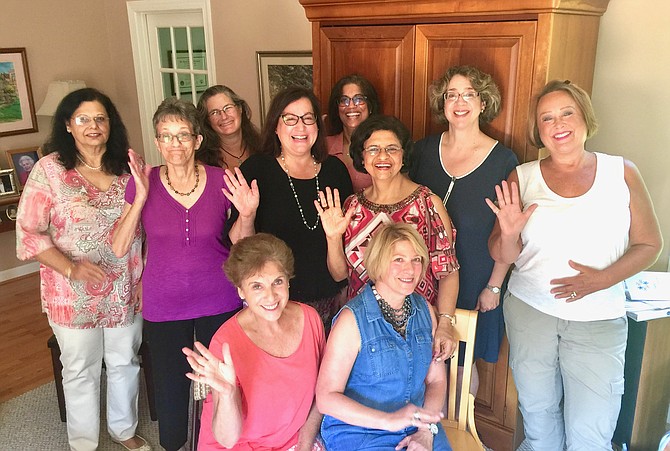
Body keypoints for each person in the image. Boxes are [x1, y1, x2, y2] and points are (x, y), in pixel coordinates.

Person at [487, 80, 662, 450]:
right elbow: (503, 255)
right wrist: (507, 234)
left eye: (567, 112)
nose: (558, 123)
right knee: (538, 415)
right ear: (538, 131)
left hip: (599, 319)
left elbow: (650, 245)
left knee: (592, 427)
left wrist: (601, 280)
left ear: (584, 118)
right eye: (546, 118)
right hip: (530, 311)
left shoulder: (622, 172)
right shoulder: (523, 176)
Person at [112, 97, 259, 451]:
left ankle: (219, 442)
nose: (174, 144)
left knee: (222, 379)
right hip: (165, 302)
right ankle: (175, 444)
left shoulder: (222, 180)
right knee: (171, 383)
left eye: (182, 135)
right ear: (158, 141)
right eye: (166, 136)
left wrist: (248, 214)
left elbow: (241, 244)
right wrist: (142, 197)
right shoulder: (141, 181)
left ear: (197, 140)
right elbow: (119, 246)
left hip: (219, 297)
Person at [16, 88, 151, 451]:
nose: (93, 126)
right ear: (68, 125)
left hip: (125, 286)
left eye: (101, 118)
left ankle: (123, 430)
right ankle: (83, 442)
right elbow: (29, 232)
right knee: (79, 369)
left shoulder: (130, 166)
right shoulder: (50, 170)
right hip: (70, 293)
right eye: (83, 119)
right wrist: (72, 269)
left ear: (111, 124)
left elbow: (151, 227)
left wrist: (145, 278)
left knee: (125, 361)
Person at [317, 114, 459, 359]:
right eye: (373, 149)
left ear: (403, 156)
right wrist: (332, 238)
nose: (382, 156)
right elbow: (341, 275)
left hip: (414, 328)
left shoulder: (427, 204)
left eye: (391, 149)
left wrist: (445, 322)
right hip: (362, 330)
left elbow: (448, 272)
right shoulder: (352, 206)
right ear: (362, 157)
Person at [411, 65, 519, 386]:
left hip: (475, 279)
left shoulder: (503, 160)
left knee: (461, 359)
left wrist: (495, 285)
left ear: (483, 103)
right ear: (442, 103)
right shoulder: (422, 151)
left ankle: (457, 432)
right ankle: (426, 429)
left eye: (469, 94)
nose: (460, 102)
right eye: (452, 95)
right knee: (421, 356)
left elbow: (509, 230)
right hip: (422, 277)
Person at [182, 233, 325, 451]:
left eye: (277, 282)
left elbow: (322, 390)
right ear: (241, 291)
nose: (270, 296)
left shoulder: (310, 319)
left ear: (288, 281)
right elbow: (227, 440)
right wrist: (228, 395)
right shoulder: (225, 342)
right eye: (257, 286)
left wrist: (305, 443)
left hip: (295, 441)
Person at [317, 223, 452, 451]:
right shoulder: (352, 320)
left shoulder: (425, 310)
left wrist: (426, 430)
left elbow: (436, 380)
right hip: (360, 432)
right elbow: (326, 398)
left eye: (416, 259)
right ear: (378, 262)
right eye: (398, 259)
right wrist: (388, 421)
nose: (410, 269)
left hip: (415, 426)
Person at [236, 87, 353, 330]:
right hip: (272, 304)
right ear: (276, 126)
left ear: (317, 126)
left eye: (308, 118)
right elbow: (241, 251)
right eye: (290, 118)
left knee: (328, 368)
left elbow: (344, 253)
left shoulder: (335, 171)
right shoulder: (256, 170)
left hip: (328, 300)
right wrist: (247, 216)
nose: (300, 127)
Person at [326, 74, 380, 191]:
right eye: (344, 100)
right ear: (337, 108)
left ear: (370, 106)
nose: (351, 106)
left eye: (358, 99)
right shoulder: (324, 146)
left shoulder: (383, 147)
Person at [196, 85, 260, 169]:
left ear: (240, 109)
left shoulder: (263, 147)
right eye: (214, 112)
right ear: (207, 121)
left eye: (228, 108)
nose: (224, 117)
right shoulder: (202, 163)